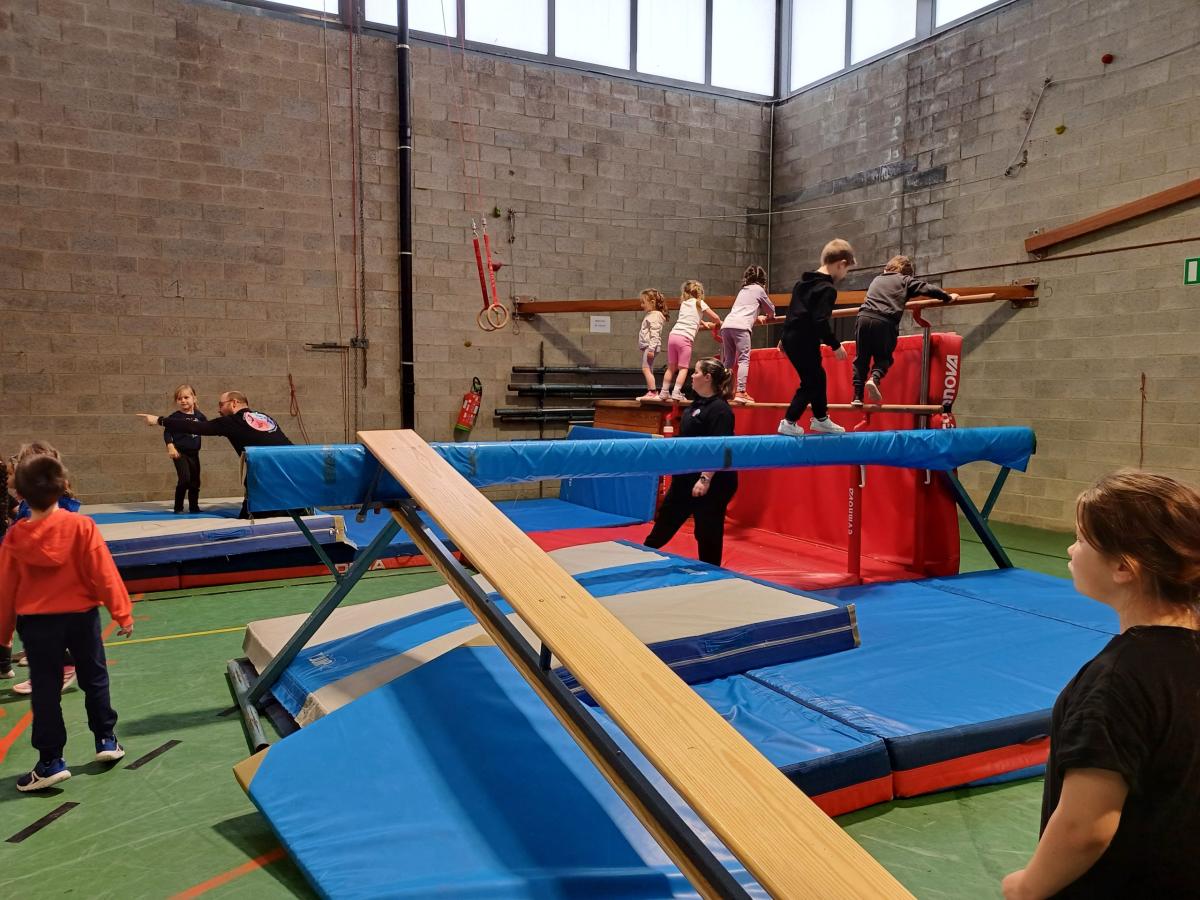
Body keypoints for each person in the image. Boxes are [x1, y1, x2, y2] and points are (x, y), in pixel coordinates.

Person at [1001, 471, 1200, 900]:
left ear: (1124, 567)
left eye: (1081, 539)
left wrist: (1028, 886)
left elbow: (1084, 828)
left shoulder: (1117, 681)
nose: (1070, 549)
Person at [0, 453, 133, 792]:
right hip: (81, 618)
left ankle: (50, 761)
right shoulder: (81, 527)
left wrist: (3, 635)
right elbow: (104, 573)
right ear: (63, 487)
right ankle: (106, 738)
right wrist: (122, 612)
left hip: (37, 625)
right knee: (95, 678)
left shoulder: (15, 538)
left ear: (20, 494)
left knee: (45, 690)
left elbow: (6, 590)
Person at [137, 391, 293, 519]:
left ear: (234, 403)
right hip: (292, 480)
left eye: (221, 404)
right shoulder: (265, 417)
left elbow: (195, 427)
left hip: (266, 486)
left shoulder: (232, 421)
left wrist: (159, 420)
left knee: (249, 516)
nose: (219, 409)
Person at [643, 358, 738, 566]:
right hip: (686, 477)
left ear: (707, 377)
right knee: (666, 519)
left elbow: (720, 447)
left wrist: (705, 479)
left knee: (707, 530)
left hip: (712, 481)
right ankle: (641, 556)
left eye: (696, 372)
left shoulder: (720, 410)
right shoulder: (696, 405)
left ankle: (711, 570)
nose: (692, 376)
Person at [853, 256, 957, 407]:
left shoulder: (877, 279)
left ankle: (857, 396)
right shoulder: (905, 280)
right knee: (884, 358)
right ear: (906, 272)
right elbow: (928, 289)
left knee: (861, 358)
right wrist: (947, 297)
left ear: (888, 268)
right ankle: (874, 378)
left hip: (863, 317)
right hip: (884, 320)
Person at [777, 239, 855, 436]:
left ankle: (821, 418)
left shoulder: (802, 283)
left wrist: (784, 337)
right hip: (804, 339)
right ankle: (789, 421)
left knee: (817, 377)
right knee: (812, 381)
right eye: (846, 270)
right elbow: (820, 321)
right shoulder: (827, 289)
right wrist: (835, 345)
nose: (844, 274)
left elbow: (793, 312)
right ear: (841, 264)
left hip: (793, 336)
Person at [721, 265, 776, 405]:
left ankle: (723, 390)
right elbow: (771, 310)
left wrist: (756, 316)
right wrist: (768, 316)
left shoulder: (743, 290)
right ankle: (740, 392)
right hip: (741, 327)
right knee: (743, 359)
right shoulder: (759, 289)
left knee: (728, 361)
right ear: (763, 281)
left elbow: (744, 309)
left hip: (727, 325)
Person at [661, 280, 722, 402]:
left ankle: (664, 392)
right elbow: (715, 317)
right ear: (700, 293)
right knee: (683, 368)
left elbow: (692, 318)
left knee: (671, 367)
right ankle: (676, 392)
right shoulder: (700, 303)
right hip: (685, 338)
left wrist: (703, 322)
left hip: (673, 336)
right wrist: (718, 323)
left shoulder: (684, 304)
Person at [162, 384, 206, 514]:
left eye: (186, 397)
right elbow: (167, 432)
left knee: (195, 481)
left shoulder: (199, 416)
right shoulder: (175, 417)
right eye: (179, 398)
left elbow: (209, 427)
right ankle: (178, 507)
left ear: (194, 398)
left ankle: (194, 507)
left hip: (194, 453)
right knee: (184, 479)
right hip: (180, 453)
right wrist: (170, 446)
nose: (183, 400)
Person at [636, 289, 669, 400]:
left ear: (652, 302)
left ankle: (652, 392)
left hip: (651, 346)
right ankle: (652, 391)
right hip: (650, 346)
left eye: (643, 302)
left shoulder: (655, 316)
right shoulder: (652, 315)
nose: (642, 305)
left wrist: (651, 349)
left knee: (645, 369)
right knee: (648, 369)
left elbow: (655, 334)